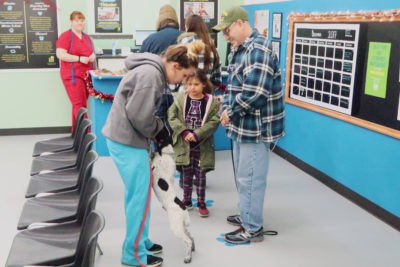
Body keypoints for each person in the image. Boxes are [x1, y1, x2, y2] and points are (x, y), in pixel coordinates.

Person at [102, 42, 204, 267]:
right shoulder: (151, 76)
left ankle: (141, 241)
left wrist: (157, 128)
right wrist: (159, 130)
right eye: (184, 76)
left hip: (127, 138)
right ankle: (133, 254)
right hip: (127, 141)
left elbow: (140, 113)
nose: (183, 82)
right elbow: (139, 117)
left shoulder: (152, 71)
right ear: (175, 66)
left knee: (141, 197)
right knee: (138, 198)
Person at [212, 6, 285, 244]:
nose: (225, 36)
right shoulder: (241, 50)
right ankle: (246, 214)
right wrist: (225, 107)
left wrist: (229, 112)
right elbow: (236, 86)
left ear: (242, 24)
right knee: (243, 178)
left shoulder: (258, 50)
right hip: (241, 126)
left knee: (251, 178)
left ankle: (252, 228)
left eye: (227, 30)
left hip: (255, 129)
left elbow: (256, 93)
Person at [168, 70, 220, 217]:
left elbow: (214, 122)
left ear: (204, 84)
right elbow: (171, 117)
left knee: (201, 174)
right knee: (186, 173)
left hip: (201, 144)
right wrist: (184, 132)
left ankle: (201, 202)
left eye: (196, 84)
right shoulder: (179, 99)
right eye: (189, 84)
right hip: (184, 144)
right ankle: (187, 200)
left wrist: (197, 134)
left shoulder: (211, 102)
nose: (192, 87)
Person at [56, 11, 95, 131]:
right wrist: (78, 58)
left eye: (82, 21)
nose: (80, 23)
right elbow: (60, 54)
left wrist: (93, 56)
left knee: (80, 105)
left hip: (86, 76)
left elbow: (91, 52)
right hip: (72, 76)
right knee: (79, 105)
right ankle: (87, 134)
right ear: (71, 22)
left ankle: (76, 132)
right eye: (77, 21)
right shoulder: (65, 36)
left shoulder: (87, 37)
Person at [178, 14, 221, 89]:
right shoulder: (211, 44)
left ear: (188, 27)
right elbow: (217, 79)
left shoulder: (184, 42)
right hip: (205, 94)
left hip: (186, 92)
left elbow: (178, 69)